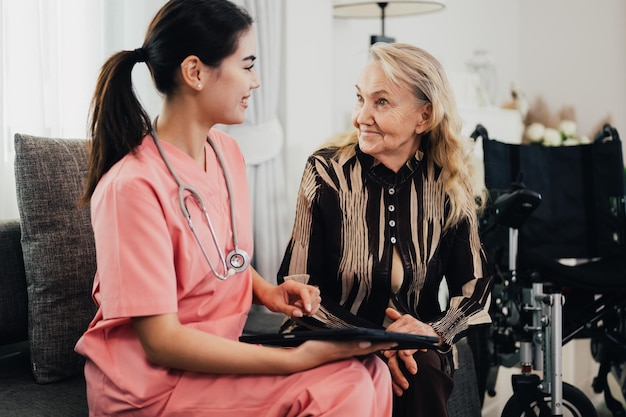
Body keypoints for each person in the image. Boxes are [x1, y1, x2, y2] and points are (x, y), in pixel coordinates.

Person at [74, 1, 394, 416]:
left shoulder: (226, 154)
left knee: (371, 370)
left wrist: (267, 292)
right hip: (150, 386)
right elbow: (161, 341)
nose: (256, 82)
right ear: (195, 72)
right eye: (246, 65)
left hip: (211, 363)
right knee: (344, 384)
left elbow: (220, 254)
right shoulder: (130, 187)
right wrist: (292, 360)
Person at [277, 42, 493, 417]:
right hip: (329, 335)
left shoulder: (449, 181)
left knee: (418, 371)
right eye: (360, 99)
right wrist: (375, 342)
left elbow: (475, 289)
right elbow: (297, 283)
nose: (361, 116)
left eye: (381, 102)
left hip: (416, 345)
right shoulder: (326, 172)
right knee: (395, 373)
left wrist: (434, 330)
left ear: (424, 117)